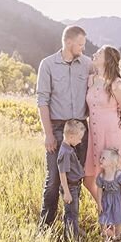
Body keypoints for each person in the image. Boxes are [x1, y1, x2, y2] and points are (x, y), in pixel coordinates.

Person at [36, 26, 92, 229]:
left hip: (81, 130)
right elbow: (42, 100)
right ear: (69, 43)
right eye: (80, 44)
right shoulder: (48, 64)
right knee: (53, 180)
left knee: (76, 179)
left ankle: (72, 227)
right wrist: (48, 134)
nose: (83, 49)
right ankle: (45, 227)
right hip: (58, 128)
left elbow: (106, 79)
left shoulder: (87, 64)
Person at [83, 45, 121, 202]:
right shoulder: (90, 80)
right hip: (94, 137)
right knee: (89, 179)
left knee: (112, 183)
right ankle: (106, 211)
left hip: (112, 138)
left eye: (100, 53)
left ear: (107, 60)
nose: (95, 54)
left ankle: (113, 223)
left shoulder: (117, 84)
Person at [96, 147, 121, 241]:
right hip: (106, 200)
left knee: (117, 219)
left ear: (112, 163)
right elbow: (99, 190)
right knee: (103, 217)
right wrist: (99, 203)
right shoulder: (101, 176)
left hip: (118, 200)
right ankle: (104, 235)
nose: (100, 159)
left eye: (103, 158)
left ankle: (117, 236)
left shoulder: (118, 175)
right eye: (100, 157)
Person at [57, 120, 87, 240]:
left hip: (75, 186)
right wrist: (67, 192)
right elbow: (62, 173)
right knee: (71, 214)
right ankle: (71, 240)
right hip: (70, 187)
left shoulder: (69, 148)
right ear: (71, 136)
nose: (80, 141)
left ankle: (73, 230)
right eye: (79, 138)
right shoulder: (65, 152)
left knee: (73, 212)